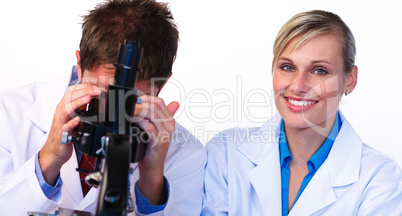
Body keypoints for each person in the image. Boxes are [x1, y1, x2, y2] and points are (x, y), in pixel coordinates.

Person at [0, 0, 206, 215]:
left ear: (162, 84)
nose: (112, 111)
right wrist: (47, 159)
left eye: (131, 101)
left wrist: (152, 180)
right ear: (80, 65)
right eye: (101, 93)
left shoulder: (186, 153)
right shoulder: (7, 114)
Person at [202, 10, 402, 215]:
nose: (298, 86)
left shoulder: (379, 178)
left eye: (319, 71)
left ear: (349, 79)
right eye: (288, 67)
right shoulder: (226, 154)